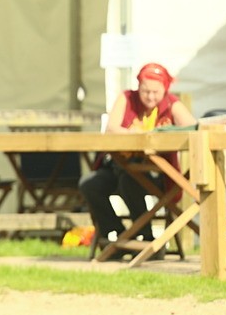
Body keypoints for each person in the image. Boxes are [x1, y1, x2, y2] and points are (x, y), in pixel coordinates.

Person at [78, 62, 196, 250]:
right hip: (119, 166)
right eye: (145, 91)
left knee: (130, 182)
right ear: (138, 86)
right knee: (90, 184)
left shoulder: (172, 104)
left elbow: (192, 129)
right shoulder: (126, 98)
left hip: (157, 172)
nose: (150, 97)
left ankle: (145, 237)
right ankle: (115, 236)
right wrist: (137, 135)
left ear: (165, 89)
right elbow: (111, 129)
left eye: (155, 92)